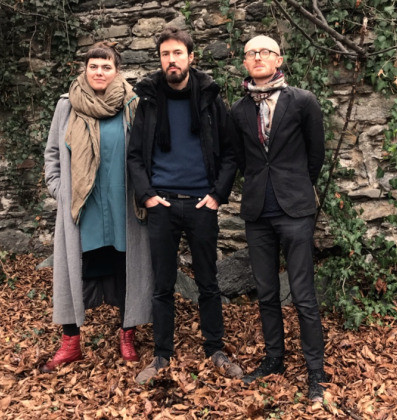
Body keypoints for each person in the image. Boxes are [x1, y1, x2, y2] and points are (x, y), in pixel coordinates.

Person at [128, 27, 242, 384]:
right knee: (162, 284)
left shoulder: (209, 98)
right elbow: (134, 156)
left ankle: (215, 349)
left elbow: (230, 153)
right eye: (165, 54)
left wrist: (217, 196)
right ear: (160, 60)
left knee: (208, 281)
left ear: (191, 57)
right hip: (162, 205)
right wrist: (148, 195)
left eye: (177, 53)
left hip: (201, 205)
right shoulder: (148, 100)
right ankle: (161, 354)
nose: (171, 60)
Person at [41, 42, 154, 372]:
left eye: (106, 66)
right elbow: (52, 153)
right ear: (85, 69)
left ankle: (127, 334)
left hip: (123, 205)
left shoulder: (132, 104)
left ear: (117, 71)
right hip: (82, 207)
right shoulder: (67, 105)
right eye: (94, 66)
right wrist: (59, 190)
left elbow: (147, 152)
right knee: (75, 270)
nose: (99, 72)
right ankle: (70, 342)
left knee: (125, 265)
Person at [229, 35, 328, 401]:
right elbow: (241, 159)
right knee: (267, 292)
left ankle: (315, 370)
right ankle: (274, 359)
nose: (258, 57)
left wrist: (297, 185)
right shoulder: (238, 110)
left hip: (295, 211)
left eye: (265, 52)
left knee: (303, 293)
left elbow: (315, 154)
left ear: (278, 59)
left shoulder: (302, 101)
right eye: (251, 53)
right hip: (258, 213)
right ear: (245, 63)